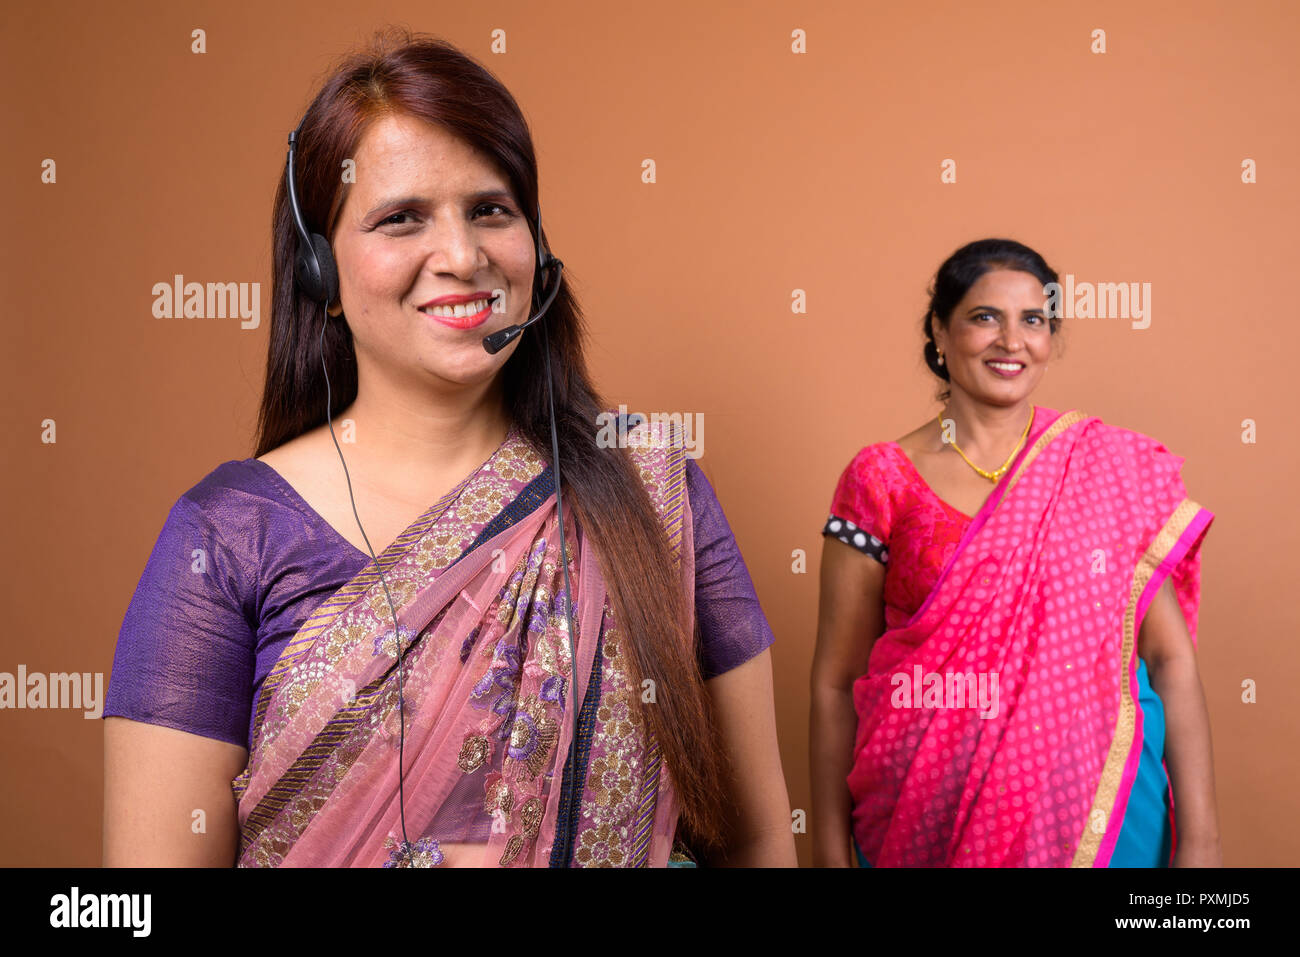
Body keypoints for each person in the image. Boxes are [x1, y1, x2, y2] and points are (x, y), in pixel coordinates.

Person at [103, 29, 794, 868]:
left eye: (490, 210)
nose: (463, 257)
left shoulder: (654, 491)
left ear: (538, 251)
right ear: (320, 271)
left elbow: (760, 841)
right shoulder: (227, 535)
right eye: (401, 219)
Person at [809, 238, 1221, 867]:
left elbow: (1169, 660)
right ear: (940, 333)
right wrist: (829, 853)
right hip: (918, 824)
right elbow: (837, 683)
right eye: (984, 318)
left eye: (1033, 320)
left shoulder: (1108, 471)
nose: (1012, 340)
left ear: (1051, 339)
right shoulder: (881, 478)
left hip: (1099, 819)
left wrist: (1201, 846)